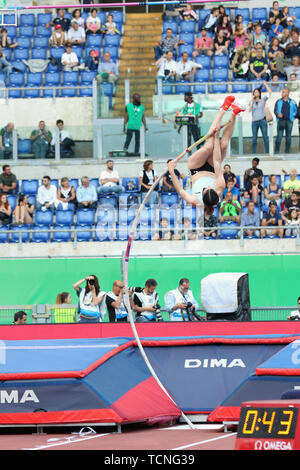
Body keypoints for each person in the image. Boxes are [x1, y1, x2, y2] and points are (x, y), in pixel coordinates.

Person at [167, 95, 245, 209]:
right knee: (223, 145)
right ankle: (234, 112)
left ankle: (223, 109)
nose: (208, 186)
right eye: (210, 188)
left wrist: (171, 170)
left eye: (206, 189)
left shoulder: (195, 200)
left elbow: (180, 189)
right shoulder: (219, 187)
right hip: (213, 168)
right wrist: (217, 137)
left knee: (209, 146)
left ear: (202, 195)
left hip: (196, 168)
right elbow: (217, 161)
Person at [248, 82, 272, 154]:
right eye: (254, 92)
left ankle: (268, 152)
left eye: (257, 92)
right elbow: (249, 110)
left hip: (262, 121)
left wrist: (265, 84)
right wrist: (252, 101)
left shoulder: (263, 99)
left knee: (265, 137)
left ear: (259, 93)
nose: (256, 93)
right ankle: (254, 153)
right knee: (254, 138)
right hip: (254, 122)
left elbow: (270, 92)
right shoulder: (252, 101)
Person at [274, 88, 298, 154]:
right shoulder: (278, 101)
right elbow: (275, 110)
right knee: (279, 137)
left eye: (284, 92)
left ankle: (287, 152)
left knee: (288, 138)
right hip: (281, 122)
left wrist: (293, 116)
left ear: (287, 93)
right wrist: (278, 114)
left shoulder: (293, 101)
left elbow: (296, 111)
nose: (282, 93)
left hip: (289, 122)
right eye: (282, 92)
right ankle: (276, 152)